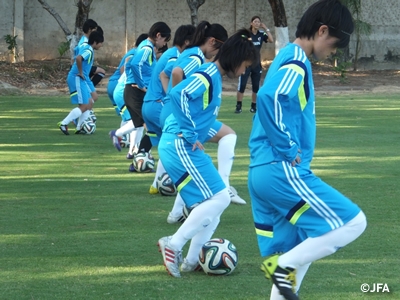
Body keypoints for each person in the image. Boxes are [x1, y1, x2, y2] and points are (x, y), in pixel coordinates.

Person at [247, 1, 367, 299]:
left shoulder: (286, 56)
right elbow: (268, 98)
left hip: (264, 170)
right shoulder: (296, 61)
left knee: (301, 251)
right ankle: (281, 265)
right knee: (353, 222)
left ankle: (283, 265)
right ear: (322, 30)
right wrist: (288, 147)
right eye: (335, 44)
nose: (334, 51)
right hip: (281, 169)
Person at [157, 28, 257, 278]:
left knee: (215, 204)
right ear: (235, 58)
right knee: (221, 198)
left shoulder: (214, 75)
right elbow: (178, 93)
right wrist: (191, 133)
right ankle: (173, 244)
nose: (244, 71)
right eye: (245, 66)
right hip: (179, 143)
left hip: (179, 144)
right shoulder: (210, 73)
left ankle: (190, 261)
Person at [141, 24, 196, 192]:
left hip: (150, 104)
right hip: (159, 104)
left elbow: (162, 75)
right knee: (178, 143)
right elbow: (169, 74)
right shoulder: (176, 57)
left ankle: (155, 182)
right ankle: (180, 183)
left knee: (164, 143)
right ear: (187, 41)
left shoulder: (171, 54)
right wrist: (172, 95)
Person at [109, 22, 171, 160]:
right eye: (165, 39)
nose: (164, 43)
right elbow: (135, 64)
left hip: (132, 91)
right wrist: (141, 84)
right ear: (158, 35)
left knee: (142, 124)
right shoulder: (147, 48)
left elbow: (130, 63)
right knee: (151, 125)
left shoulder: (144, 45)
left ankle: (136, 153)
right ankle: (143, 155)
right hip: (136, 92)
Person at [58, 31, 104, 135]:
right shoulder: (88, 50)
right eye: (101, 43)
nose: (101, 45)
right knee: (84, 105)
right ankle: (64, 123)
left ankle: (80, 127)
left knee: (89, 103)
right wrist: (80, 72)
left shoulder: (88, 48)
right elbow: (79, 58)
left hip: (81, 78)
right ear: (96, 42)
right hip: (77, 78)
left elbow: (76, 55)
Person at [235, 16, 274, 114]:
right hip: (246, 64)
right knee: (242, 85)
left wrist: (266, 28)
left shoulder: (261, 34)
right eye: (255, 21)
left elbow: (271, 40)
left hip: (256, 64)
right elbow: (239, 43)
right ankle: (239, 106)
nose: (257, 23)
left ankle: (253, 106)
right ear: (251, 23)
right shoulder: (246, 34)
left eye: (258, 22)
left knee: (256, 86)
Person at [107, 33, 149, 116]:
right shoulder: (135, 53)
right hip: (118, 85)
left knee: (127, 117)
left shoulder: (133, 52)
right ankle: (117, 130)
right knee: (134, 119)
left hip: (113, 84)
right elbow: (123, 68)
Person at [73, 19, 106, 87]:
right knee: (101, 71)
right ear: (90, 30)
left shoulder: (85, 41)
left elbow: (75, 52)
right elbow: (78, 57)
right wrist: (80, 72)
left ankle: (88, 88)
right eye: (94, 30)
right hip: (83, 68)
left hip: (84, 67)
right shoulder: (85, 44)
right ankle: (89, 89)